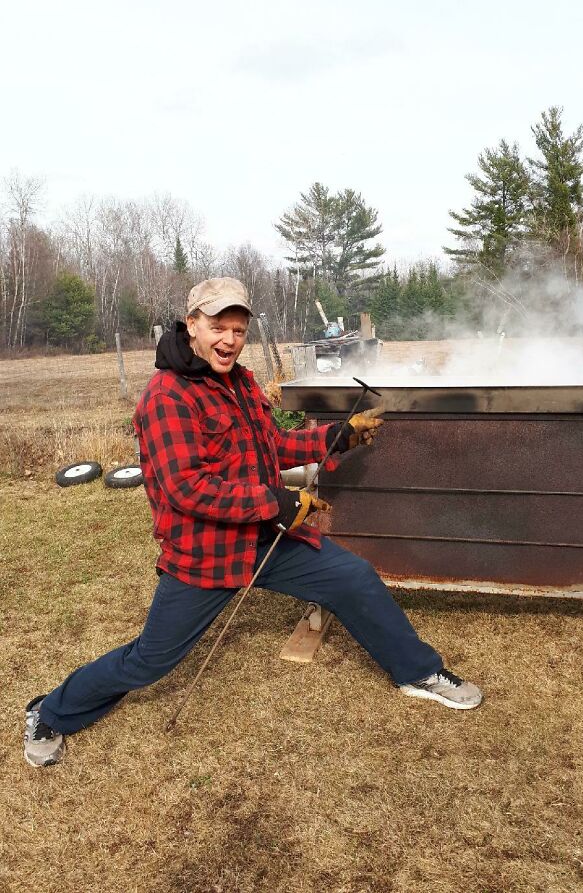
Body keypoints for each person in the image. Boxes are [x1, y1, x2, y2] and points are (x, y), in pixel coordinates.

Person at [23, 278, 482, 768]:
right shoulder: (167, 396)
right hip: (206, 554)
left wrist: (337, 437)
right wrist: (277, 503)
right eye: (219, 327)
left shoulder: (241, 382)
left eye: (238, 330)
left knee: (353, 578)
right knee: (151, 661)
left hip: (265, 540)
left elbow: (270, 449)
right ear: (192, 325)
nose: (229, 339)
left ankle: (418, 672)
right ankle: (49, 711)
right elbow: (187, 487)